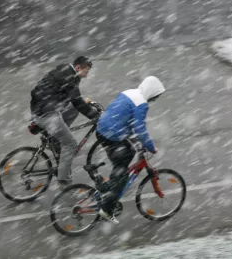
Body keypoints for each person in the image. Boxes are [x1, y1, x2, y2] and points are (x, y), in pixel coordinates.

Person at [95, 76, 165, 224]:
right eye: (155, 97)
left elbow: (126, 119)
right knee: (122, 173)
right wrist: (150, 147)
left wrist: (138, 142)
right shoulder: (141, 103)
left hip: (102, 130)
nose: (154, 100)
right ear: (151, 92)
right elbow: (139, 128)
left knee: (128, 154)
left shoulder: (129, 92)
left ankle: (106, 187)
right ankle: (107, 208)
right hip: (113, 135)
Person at [30, 56, 100, 189]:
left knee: (75, 108)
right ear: (78, 67)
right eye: (86, 72)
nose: (86, 76)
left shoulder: (65, 70)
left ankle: (56, 138)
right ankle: (64, 181)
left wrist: (88, 103)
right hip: (47, 113)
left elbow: (73, 99)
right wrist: (95, 116)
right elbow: (77, 101)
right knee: (70, 143)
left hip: (42, 109)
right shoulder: (71, 77)